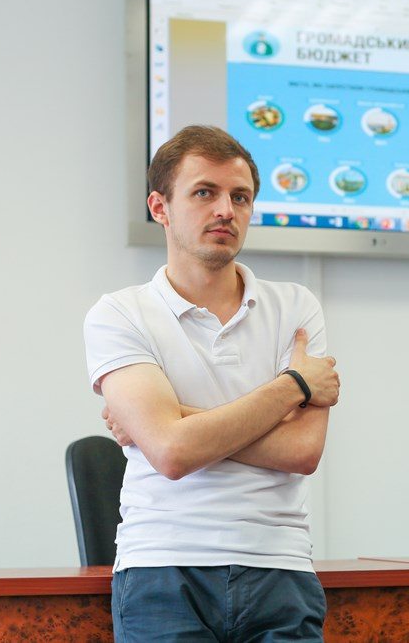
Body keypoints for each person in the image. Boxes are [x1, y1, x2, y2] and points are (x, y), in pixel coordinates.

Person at [83, 125, 340, 641]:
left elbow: (302, 451)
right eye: (205, 192)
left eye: (240, 197)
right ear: (160, 207)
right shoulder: (119, 314)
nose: (226, 209)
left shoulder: (296, 306)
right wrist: (293, 385)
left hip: (280, 565)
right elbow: (173, 455)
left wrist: (176, 423)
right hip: (163, 567)